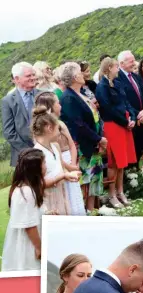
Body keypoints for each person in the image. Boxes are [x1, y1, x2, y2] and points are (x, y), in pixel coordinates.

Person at [59, 62, 107, 212]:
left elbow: (94, 118)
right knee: (85, 180)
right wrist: (98, 139)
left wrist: (99, 137)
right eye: (80, 72)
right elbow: (79, 125)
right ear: (74, 77)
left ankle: (92, 210)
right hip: (82, 146)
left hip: (93, 143)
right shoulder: (68, 98)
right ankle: (84, 211)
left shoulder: (82, 93)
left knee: (94, 179)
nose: (83, 74)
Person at [33, 91, 86, 215]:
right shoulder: (39, 153)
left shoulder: (55, 146)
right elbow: (39, 184)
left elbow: (61, 164)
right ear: (50, 128)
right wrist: (63, 175)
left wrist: (70, 168)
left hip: (62, 193)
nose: (59, 131)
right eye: (57, 129)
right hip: (50, 198)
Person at [95, 57, 137, 208]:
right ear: (108, 69)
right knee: (114, 161)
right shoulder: (102, 87)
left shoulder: (118, 83)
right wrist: (126, 122)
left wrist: (131, 116)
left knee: (122, 161)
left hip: (124, 124)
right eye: (116, 67)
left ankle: (121, 191)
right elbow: (108, 109)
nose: (118, 69)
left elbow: (126, 103)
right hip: (112, 125)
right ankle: (112, 194)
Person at [2, 148, 47, 271]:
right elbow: (29, 226)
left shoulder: (27, 189)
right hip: (29, 244)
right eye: (44, 163)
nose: (46, 166)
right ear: (35, 169)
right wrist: (39, 248)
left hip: (30, 241)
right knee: (29, 270)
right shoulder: (26, 192)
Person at [115, 51, 143, 166]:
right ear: (122, 63)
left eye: (134, 60)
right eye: (131, 61)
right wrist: (137, 114)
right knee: (133, 149)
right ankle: (133, 174)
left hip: (142, 117)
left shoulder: (135, 76)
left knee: (141, 146)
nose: (134, 63)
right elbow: (124, 101)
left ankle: (140, 173)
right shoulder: (117, 78)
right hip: (131, 119)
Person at [2, 62, 39, 166]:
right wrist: (29, 151)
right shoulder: (8, 101)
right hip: (24, 155)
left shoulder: (43, 94)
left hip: (47, 150)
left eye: (33, 74)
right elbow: (9, 132)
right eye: (28, 76)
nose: (33, 78)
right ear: (17, 79)